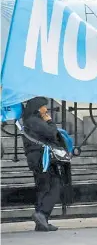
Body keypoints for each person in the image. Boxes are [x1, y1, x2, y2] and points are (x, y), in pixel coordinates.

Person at [21, 97, 70, 232]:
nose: (46, 109)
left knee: (43, 188)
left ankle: (42, 222)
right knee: (55, 186)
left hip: (38, 158)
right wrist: (50, 121)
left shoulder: (30, 121)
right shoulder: (34, 121)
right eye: (43, 106)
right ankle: (42, 213)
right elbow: (51, 133)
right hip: (43, 159)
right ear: (37, 107)